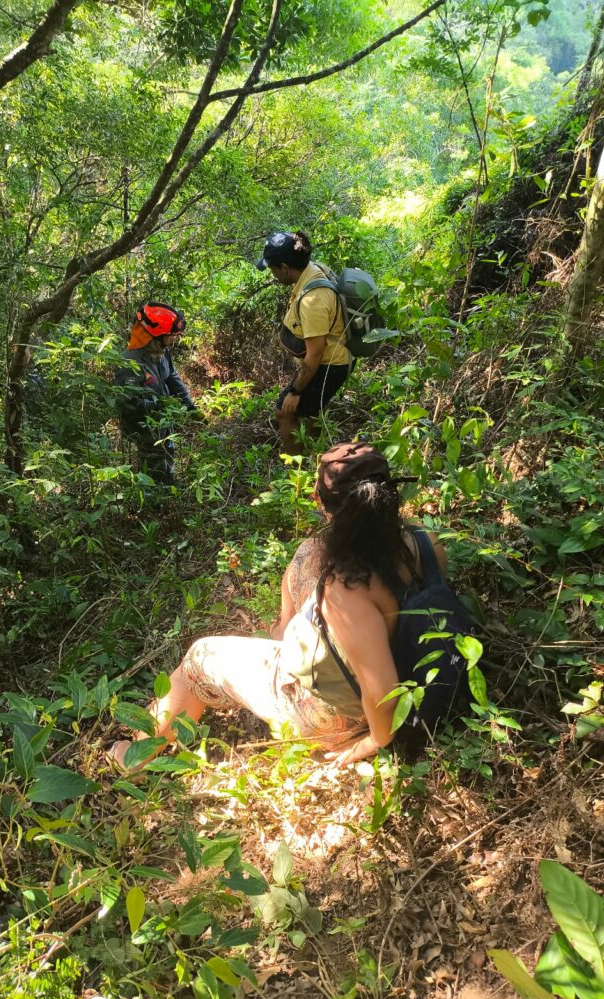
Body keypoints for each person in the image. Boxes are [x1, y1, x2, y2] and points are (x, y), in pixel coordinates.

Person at [110, 442, 448, 770]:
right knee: (308, 553)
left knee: (200, 655)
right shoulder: (424, 541)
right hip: (410, 661)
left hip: (338, 714)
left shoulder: (348, 592)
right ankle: (284, 637)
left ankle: (136, 756)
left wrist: (374, 740)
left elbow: (383, 691)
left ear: (323, 504)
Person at [256, 231, 353, 455]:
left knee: (284, 411)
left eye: (273, 270)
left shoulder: (313, 301)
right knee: (310, 413)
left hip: (329, 367)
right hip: (332, 362)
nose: (273, 275)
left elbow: (315, 355)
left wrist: (295, 391)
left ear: (284, 267)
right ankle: (315, 455)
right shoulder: (312, 270)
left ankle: (296, 469)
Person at [114, 302, 197, 484]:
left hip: (163, 423)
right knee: (153, 469)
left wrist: (190, 406)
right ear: (154, 335)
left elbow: (172, 378)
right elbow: (125, 403)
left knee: (168, 457)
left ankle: (169, 487)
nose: (172, 340)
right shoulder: (130, 363)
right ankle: (155, 500)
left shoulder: (162, 351)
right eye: (169, 336)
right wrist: (156, 406)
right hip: (144, 429)